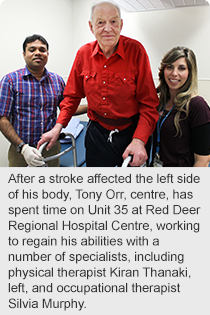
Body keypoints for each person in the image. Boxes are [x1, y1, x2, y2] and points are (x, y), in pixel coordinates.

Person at [38, 1, 159, 167]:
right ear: (91, 26)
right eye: (101, 22)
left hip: (131, 132)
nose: (108, 28)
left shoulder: (136, 51)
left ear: (121, 24)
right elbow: (72, 97)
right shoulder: (83, 54)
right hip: (97, 134)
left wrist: (139, 140)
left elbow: (149, 104)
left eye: (113, 22)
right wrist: (58, 127)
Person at [0, 34, 86, 167]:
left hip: (50, 148)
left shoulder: (57, 81)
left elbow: (67, 109)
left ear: (47, 54)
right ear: (24, 54)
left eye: (42, 50)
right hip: (21, 152)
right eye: (32, 49)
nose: (38, 53)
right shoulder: (10, 81)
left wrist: (93, 106)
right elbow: (2, 118)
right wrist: (23, 148)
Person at [148, 46, 210, 167]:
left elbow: (202, 161)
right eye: (170, 67)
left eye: (181, 68)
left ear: (190, 73)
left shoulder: (197, 106)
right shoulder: (160, 102)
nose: (174, 73)